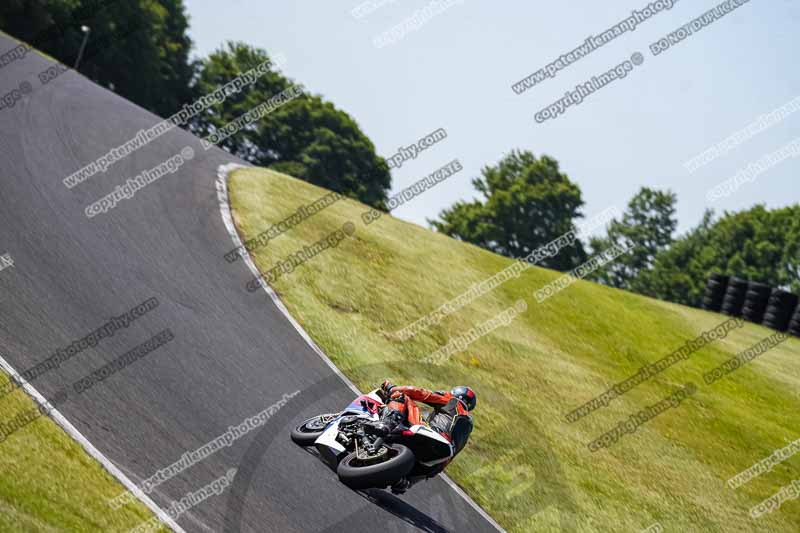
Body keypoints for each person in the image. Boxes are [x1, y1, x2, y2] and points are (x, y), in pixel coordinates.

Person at [372, 380, 476, 494]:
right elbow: (452, 455)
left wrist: (392, 388)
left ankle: (386, 424)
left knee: (401, 396)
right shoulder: (468, 426)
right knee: (405, 480)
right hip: (438, 460)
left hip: (432, 436)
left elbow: (420, 393)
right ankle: (405, 482)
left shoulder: (452, 400)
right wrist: (419, 478)